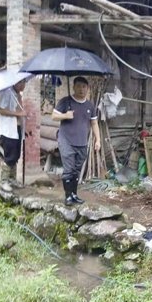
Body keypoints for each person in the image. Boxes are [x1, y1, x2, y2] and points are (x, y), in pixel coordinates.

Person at [52, 76, 101, 206]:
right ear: (73, 87)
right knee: (69, 168)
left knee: (76, 170)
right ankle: (68, 196)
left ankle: (74, 194)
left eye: (84, 87)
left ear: (87, 89)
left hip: (82, 142)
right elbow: (54, 116)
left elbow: (94, 123)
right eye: (78, 86)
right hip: (66, 139)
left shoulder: (89, 105)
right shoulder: (65, 102)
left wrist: (98, 140)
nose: (81, 89)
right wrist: (65, 115)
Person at [0, 80, 27, 192]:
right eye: (21, 83)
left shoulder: (18, 94)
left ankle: (12, 179)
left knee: (16, 155)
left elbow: (19, 110)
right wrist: (18, 114)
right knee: (10, 155)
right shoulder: (7, 92)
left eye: (24, 83)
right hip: (8, 130)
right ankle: (4, 181)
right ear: (15, 83)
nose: (23, 85)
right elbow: (0, 109)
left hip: (17, 129)